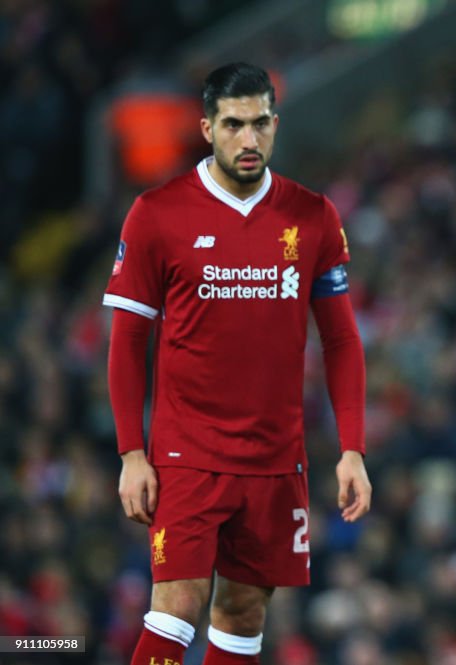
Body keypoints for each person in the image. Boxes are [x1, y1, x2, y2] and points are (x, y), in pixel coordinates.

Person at [104, 62, 371, 665]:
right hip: (186, 452)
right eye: (232, 125)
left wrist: (352, 446)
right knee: (177, 603)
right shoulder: (158, 213)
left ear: (274, 125)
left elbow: (342, 341)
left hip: (276, 458)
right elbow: (125, 343)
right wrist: (130, 453)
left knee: (244, 612)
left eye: (259, 124)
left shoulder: (313, 216)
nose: (247, 140)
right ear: (206, 128)